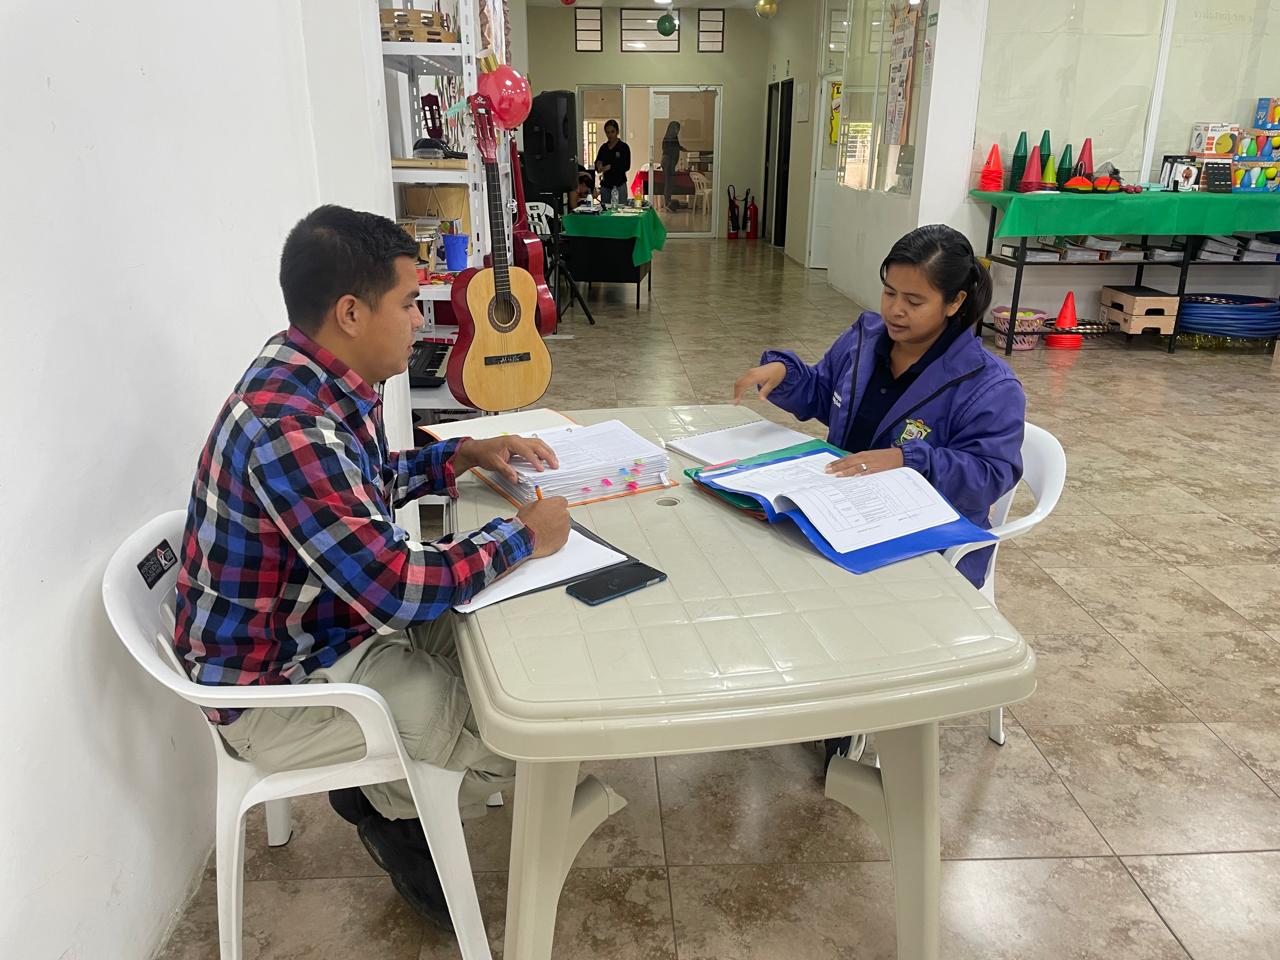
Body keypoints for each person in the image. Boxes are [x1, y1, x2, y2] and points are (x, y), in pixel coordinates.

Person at [174, 204, 572, 929]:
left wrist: (458, 455)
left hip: (322, 624)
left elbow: (362, 485)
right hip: (278, 686)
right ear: (351, 313)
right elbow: (397, 589)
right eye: (410, 303)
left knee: (513, 648)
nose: (422, 320)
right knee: (517, 731)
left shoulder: (311, 370)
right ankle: (387, 808)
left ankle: (391, 792)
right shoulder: (290, 425)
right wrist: (522, 536)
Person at [731, 224, 1026, 763]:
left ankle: (853, 707)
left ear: (955, 302)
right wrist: (786, 374)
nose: (895, 310)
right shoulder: (866, 338)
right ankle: (805, 679)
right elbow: (824, 391)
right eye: (890, 292)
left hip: (925, 536)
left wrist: (909, 460)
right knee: (751, 551)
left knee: (822, 585)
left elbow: (992, 473)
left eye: (915, 300)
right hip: (840, 506)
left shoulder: (987, 384)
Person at [594, 119, 631, 207]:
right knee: (605, 209)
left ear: (617, 132)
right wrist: (598, 165)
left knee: (621, 209)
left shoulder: (623, 147)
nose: (610, 135)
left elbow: (626, 166)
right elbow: (598, 162)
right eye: (607, 132)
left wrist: (610, 167)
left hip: (619, 184)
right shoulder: (603, 148)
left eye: (612, 132)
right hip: (606, 185)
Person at [660, 121, 687, 211]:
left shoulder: (674, 137)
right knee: (669, 182)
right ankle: (667, 203)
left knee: (670, 183)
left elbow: (676, 146)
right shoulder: (669, 138)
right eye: (676, 129)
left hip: (670, 161)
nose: (677, 131)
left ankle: (668, 202)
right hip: (668, 161)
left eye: (678, 129)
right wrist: (678, 148)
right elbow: (668, 149)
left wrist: (681, 148)